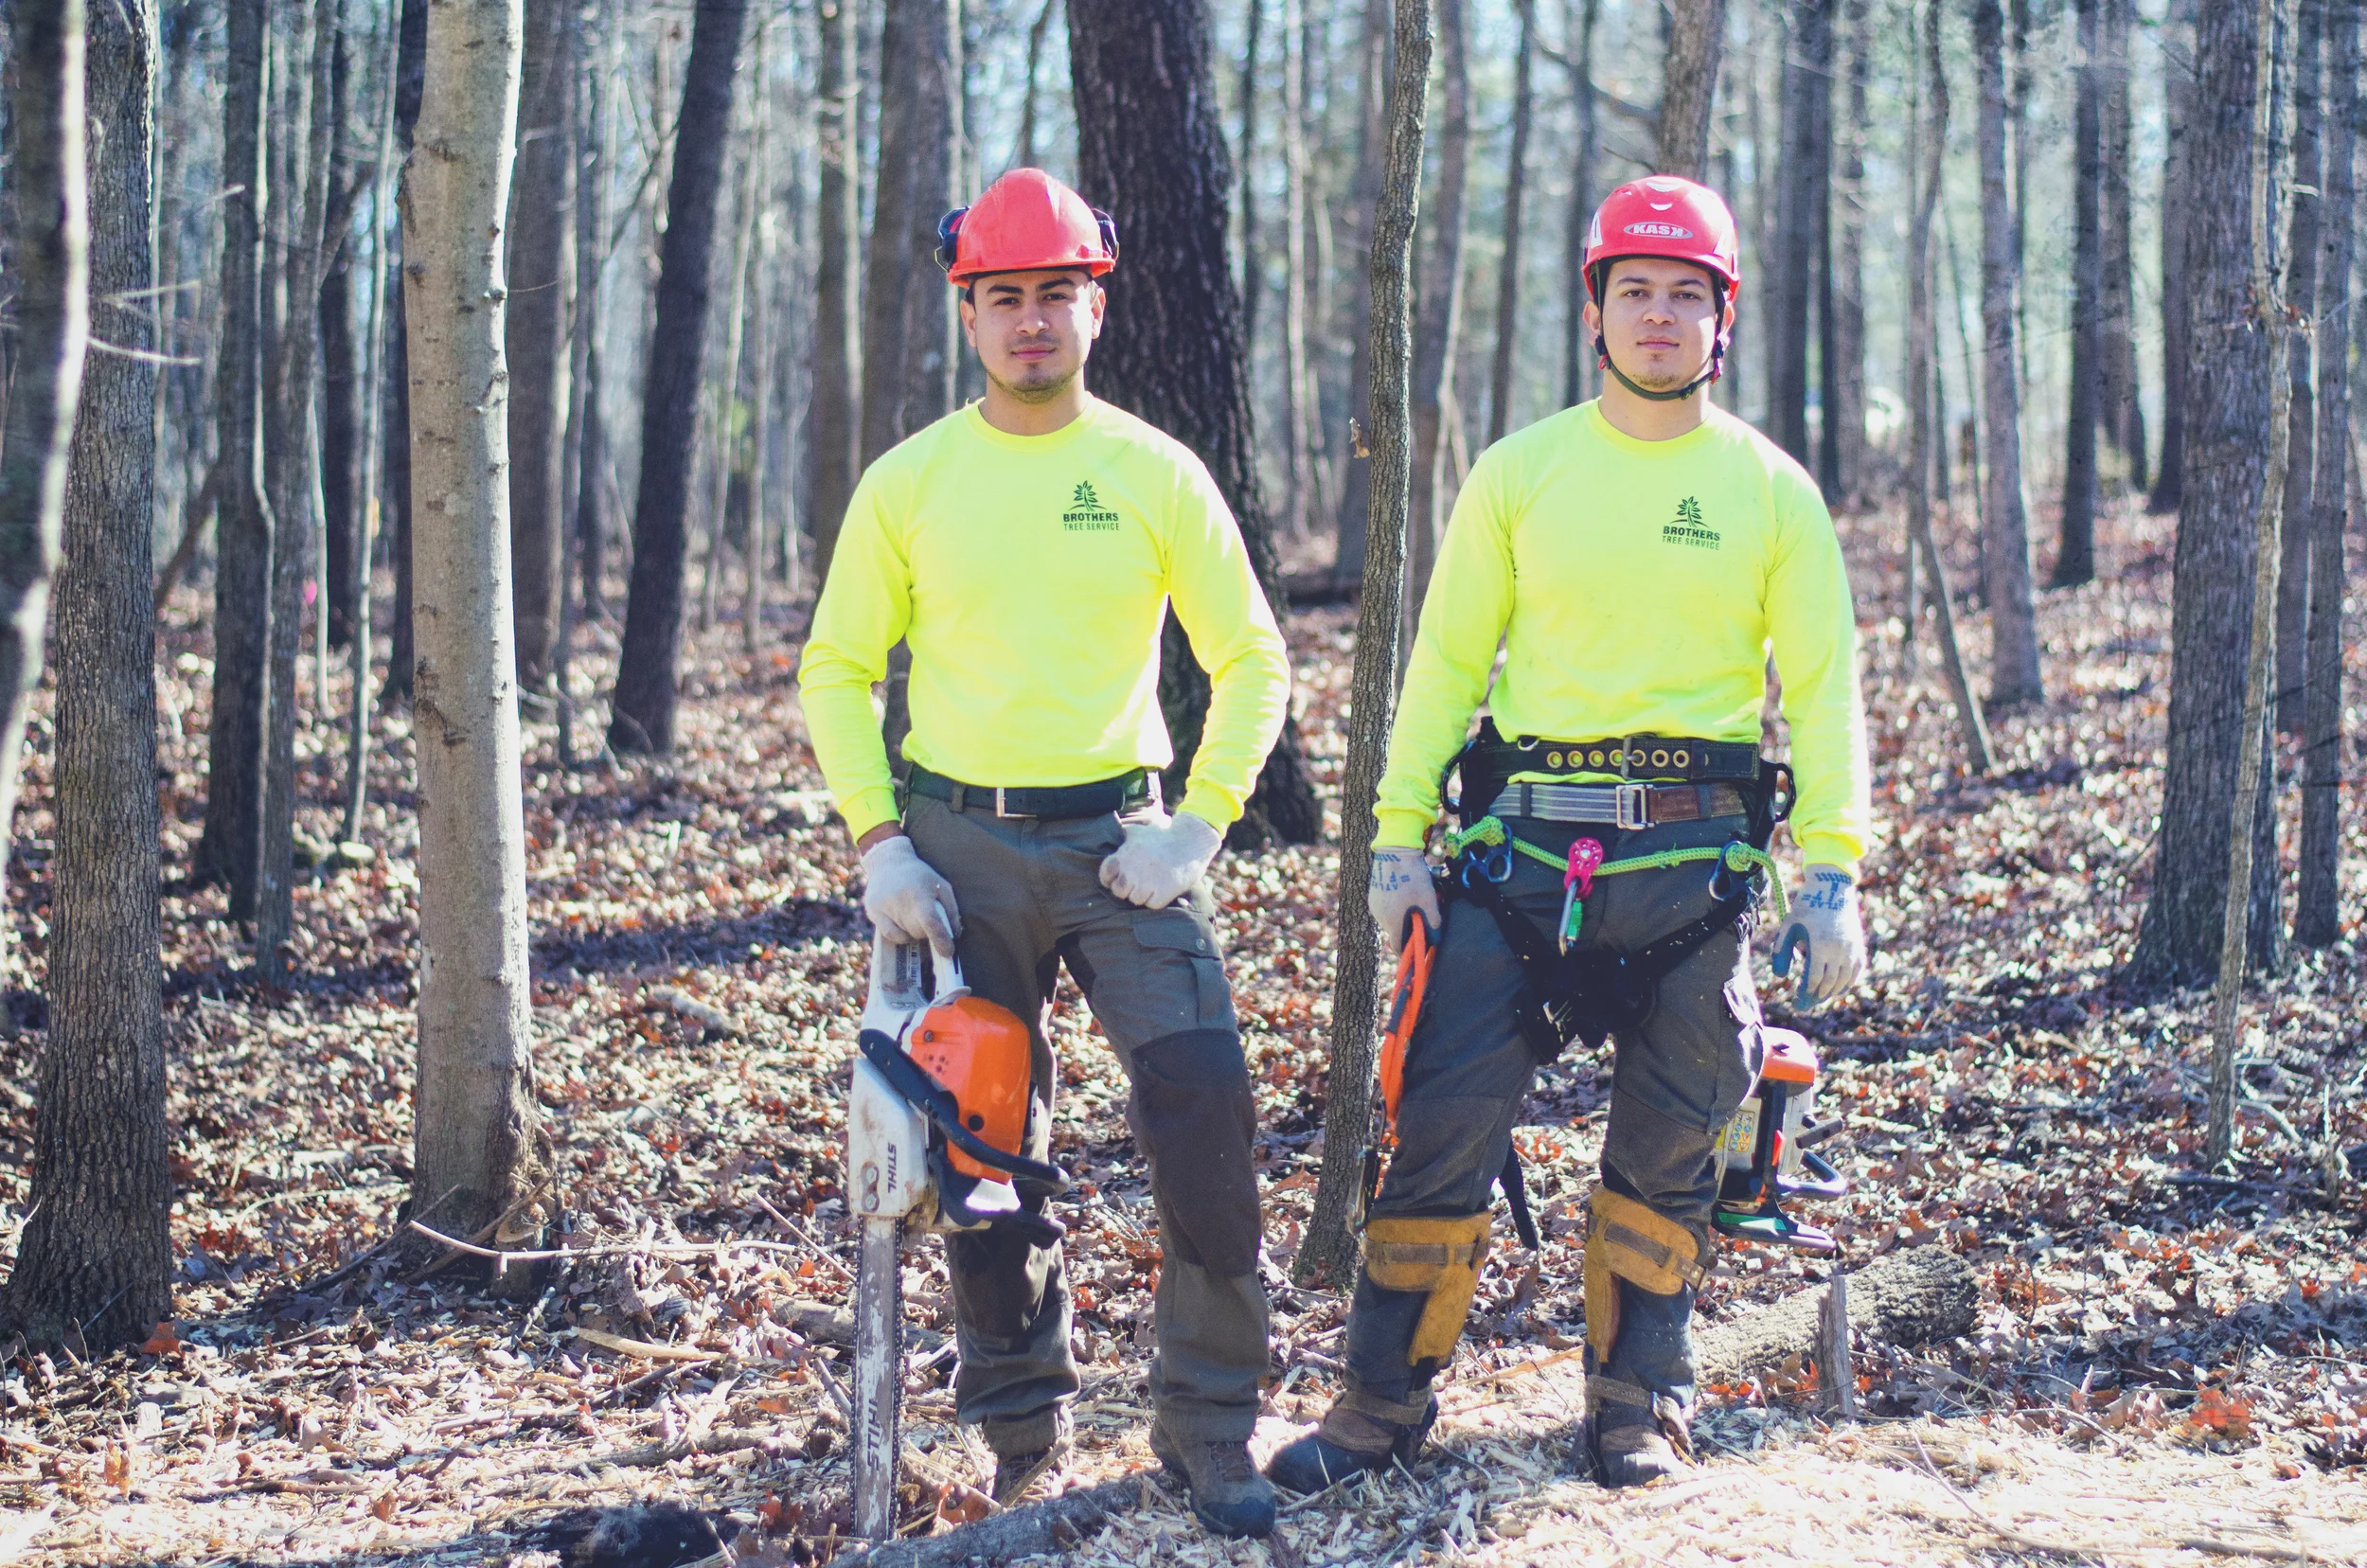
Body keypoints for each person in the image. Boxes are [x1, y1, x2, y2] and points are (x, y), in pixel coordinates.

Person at [1267, 175, 1872, 1493]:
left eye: (1687, 294)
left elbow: (1825, 694)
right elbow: (1441, 666)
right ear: (1594, 309)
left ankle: (1635, 1407)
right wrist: (1393, 836)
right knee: (1436, 1127)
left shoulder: (1771, 491)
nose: (1661, 316)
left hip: (1696, 881)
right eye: (1635, 290)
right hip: (1519, 867)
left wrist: (1835, 873)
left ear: (1726, 320)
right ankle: (1377, 1409)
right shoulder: (1520, 473)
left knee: (1671, 1148)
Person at [799, 168, 1290, 1539]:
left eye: (1054, 295)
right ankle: (1021, 1425)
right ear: (967, 311)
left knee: (1201, 1098)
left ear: (1097, 304)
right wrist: (881, 842)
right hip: (957, 842)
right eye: (1003, 298)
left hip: (1124, 839)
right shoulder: (912, 482)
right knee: (982, 1137)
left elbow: (1252, 658)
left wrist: (1198, 821)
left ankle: (1207, 1422)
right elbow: (838, 669)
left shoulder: (1151, 471)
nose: (1030, 322)